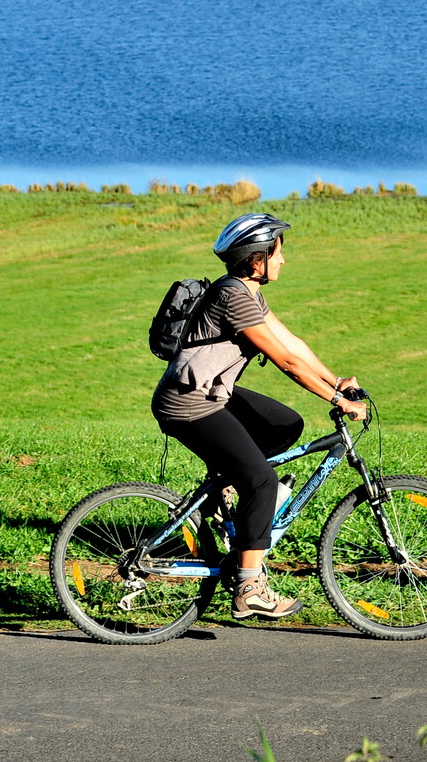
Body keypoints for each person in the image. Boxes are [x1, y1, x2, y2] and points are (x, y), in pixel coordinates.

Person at [154, 212, 365, 621]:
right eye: (278, 253)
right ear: (256, 260)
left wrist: (336, 381)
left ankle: (225, 494)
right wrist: (336, 399)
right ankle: (250, 587)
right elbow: (285, 361)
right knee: (263, 481)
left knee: (285, 425)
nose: (283, 260)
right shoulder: (231, 296)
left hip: (211, 393)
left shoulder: (247, 292)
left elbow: (293, 343)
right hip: (189, 404)